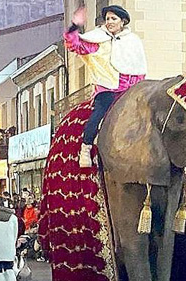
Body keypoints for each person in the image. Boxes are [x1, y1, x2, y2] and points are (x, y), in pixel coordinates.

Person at [64, 5, 147, 168]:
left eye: (113, 19)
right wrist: (74, 26)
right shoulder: (98, 39)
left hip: (130, 90)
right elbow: (75, 45)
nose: (109, 22)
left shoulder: (133, 41)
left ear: (122, 22)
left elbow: (140, 67)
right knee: (99, 112)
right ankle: (86, 147)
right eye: (107, 19)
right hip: (107, 88)